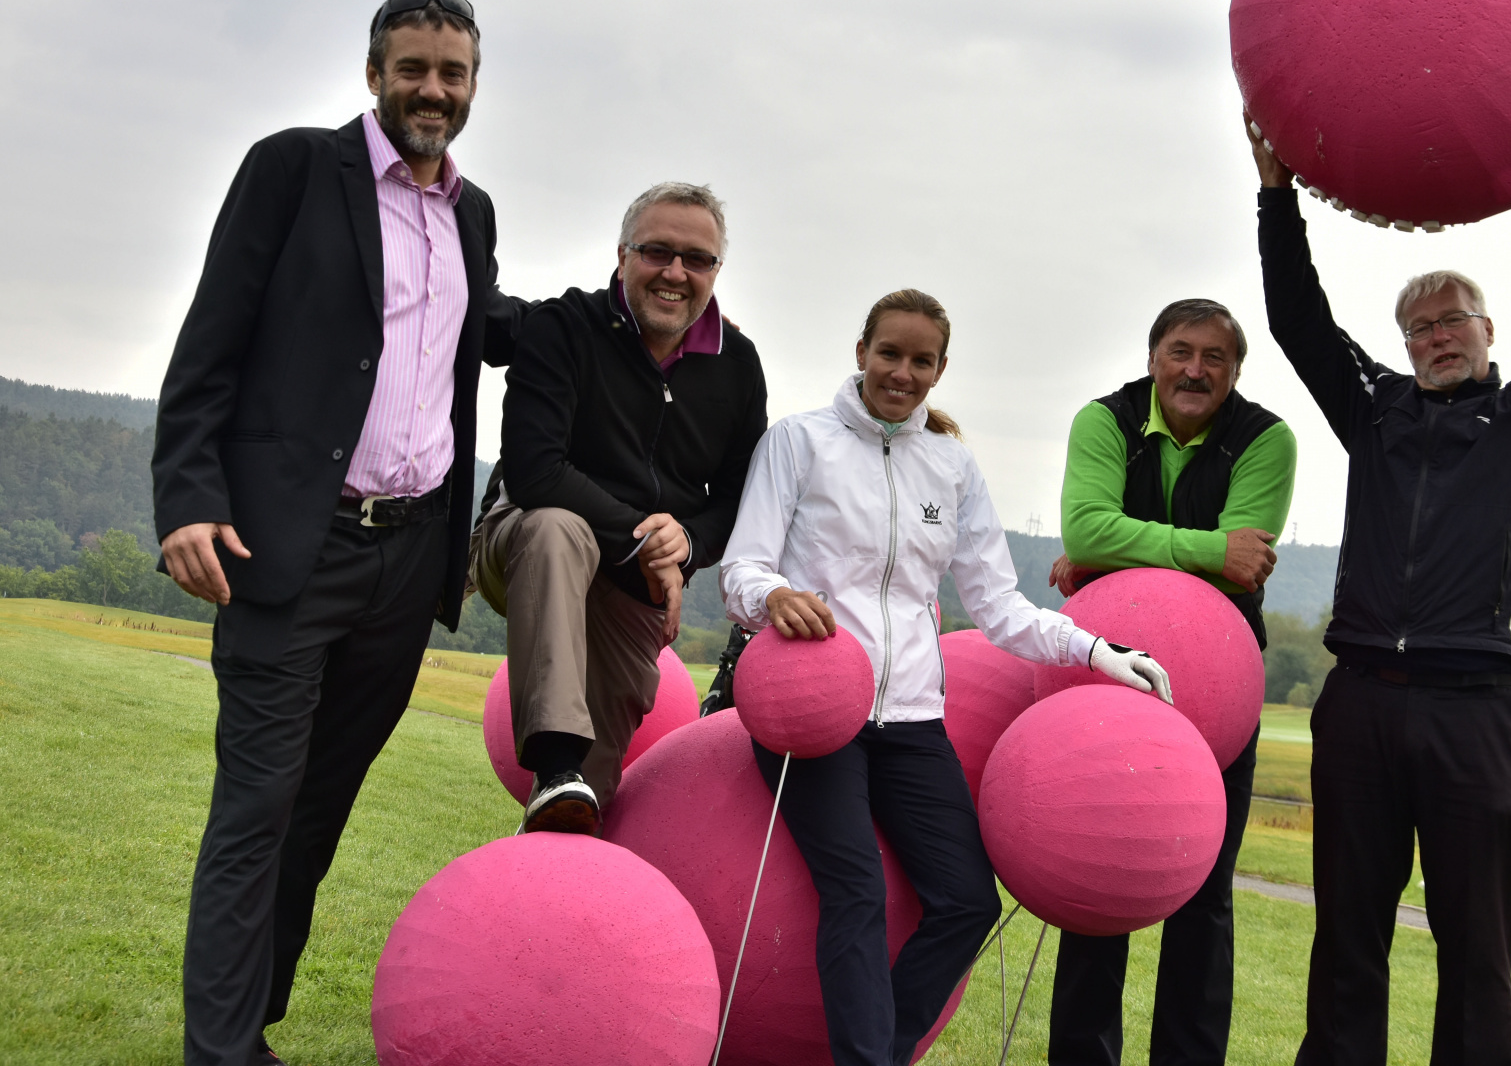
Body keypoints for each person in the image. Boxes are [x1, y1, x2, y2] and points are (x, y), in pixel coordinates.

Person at [151, 0, 529, 1066]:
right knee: (258, 806)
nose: (432, 90)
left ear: (473, 86)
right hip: (286, 545)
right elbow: (210, 344)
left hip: (408, 561)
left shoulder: (472, 213)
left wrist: (629, 304)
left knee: (317, 808)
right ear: (374, 75)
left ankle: (250, 1021)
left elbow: (489, 327)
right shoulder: (292, 169)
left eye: (452, 73)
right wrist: (188, 499)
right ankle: (222, 1052)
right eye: (413, 68)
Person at [1254, 69, 1511, 1066]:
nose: (1436, 337)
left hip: (1477, 715)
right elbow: (1298, 322)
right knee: (1348, 939)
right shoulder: (1374, 412)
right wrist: (1276, 198)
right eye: (1419, 327)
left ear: (1488, 329)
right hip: (1361, 705)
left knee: (1475, 953)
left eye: (1453, 317)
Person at [719, 289, 1173, 1066]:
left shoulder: (952, 465)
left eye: (920, 360)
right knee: (856, 890)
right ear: (861, 352)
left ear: (940, 369)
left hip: (911, 721)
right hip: (815, 714)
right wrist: (775, 596)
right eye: (889, 353)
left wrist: (1100, 652)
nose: (902, 372)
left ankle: (881, 1052)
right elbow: (742, 570)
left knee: (967, 902)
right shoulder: (799, 441)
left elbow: (999, 606)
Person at [1044, 298, 1298, 1066]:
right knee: (1100, 874)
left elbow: (1242, 568)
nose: (1195, 370)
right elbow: (1087, 531)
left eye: (1215, 357)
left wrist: (1112, 553)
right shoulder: (1104, 421)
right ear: (1153, 358)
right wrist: (1211, 549)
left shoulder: (1268, 439)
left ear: (1235, 371)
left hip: (1219, 691)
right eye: (1181, 352)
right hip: (1107, 684)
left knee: (1205, 892)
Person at [470, 181, 768, 831]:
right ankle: (554, 757)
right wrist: (648, 540)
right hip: (525, 540)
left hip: (636, 586)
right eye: (657, 251)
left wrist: (687, 543)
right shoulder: (562, 327)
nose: (676, 272)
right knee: (557, 529)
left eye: (697, 259)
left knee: (582, 805)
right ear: (622, 254)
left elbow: (741, 499)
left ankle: (553, 826)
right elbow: (536, 471)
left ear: (716, 270)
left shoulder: (739, 364)